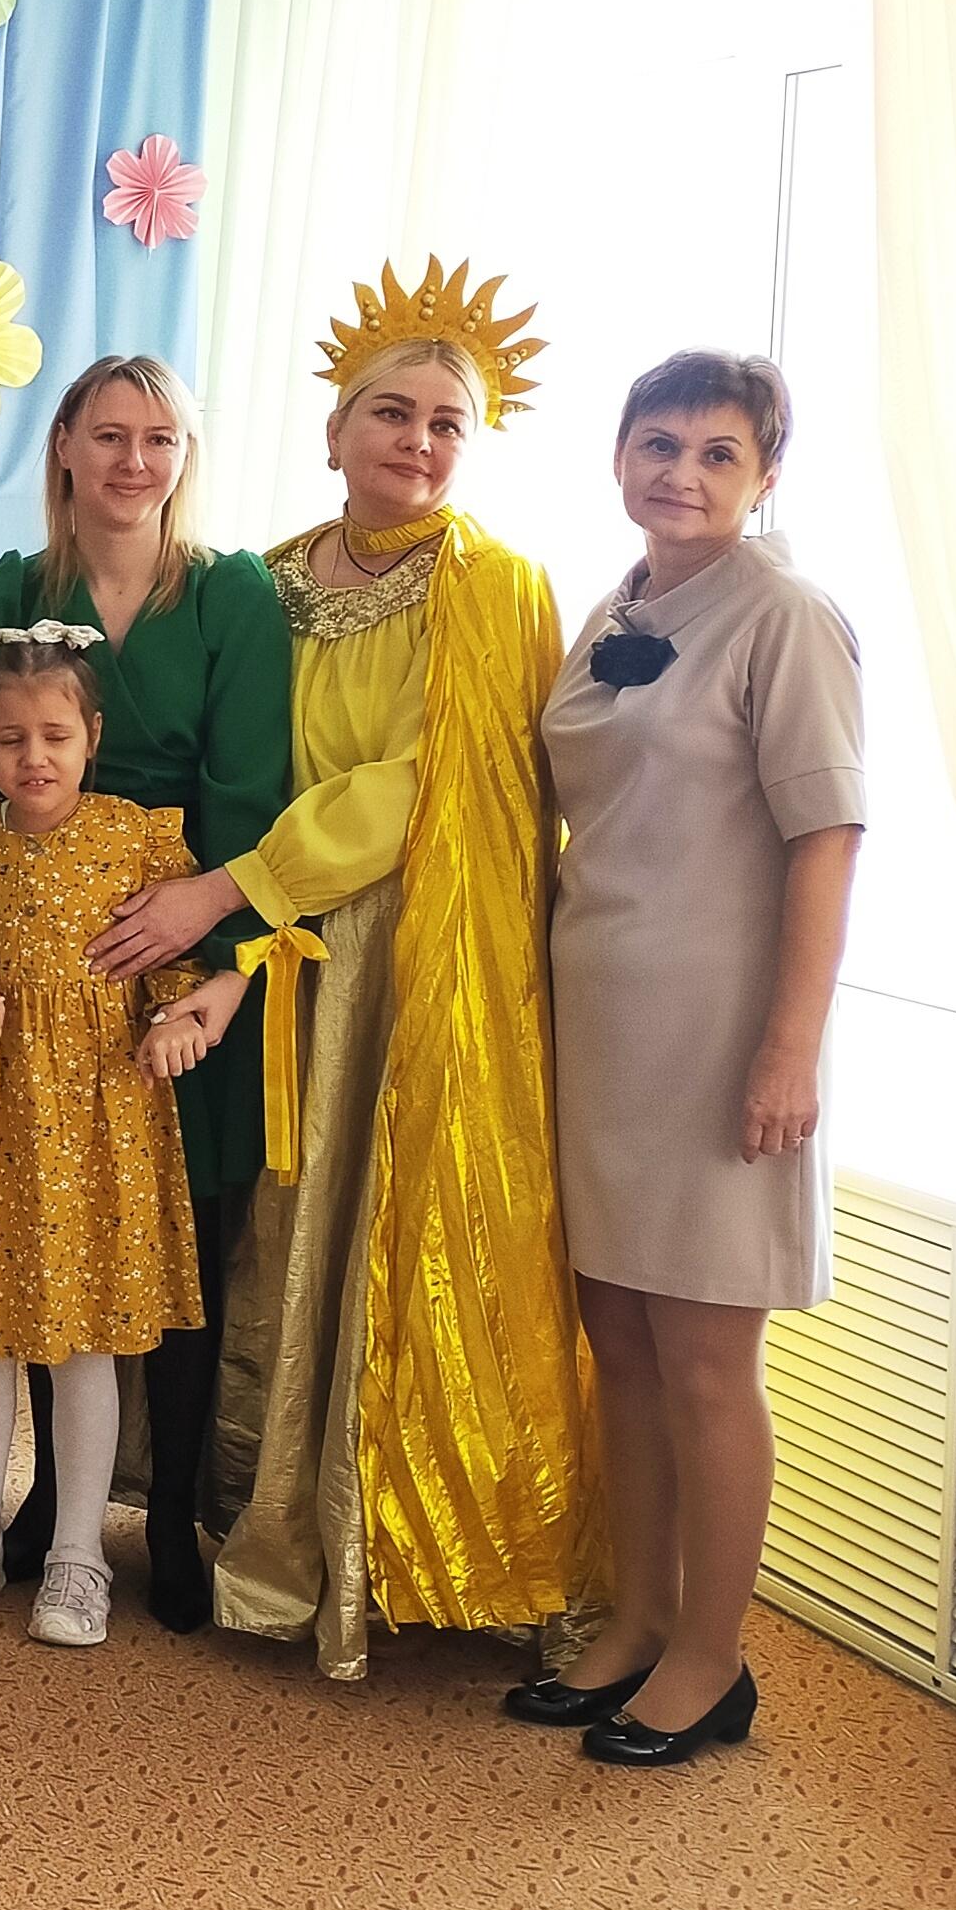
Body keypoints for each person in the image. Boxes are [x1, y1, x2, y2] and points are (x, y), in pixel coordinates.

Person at [92, 262, 599, 1681]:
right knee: (254, 1224)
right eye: (391, 412)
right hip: (258, 941)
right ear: (334, 431)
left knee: (365, 1223)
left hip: (392, 954)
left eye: (447, 422)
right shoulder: (260, 580)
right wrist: (219, 915)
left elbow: (423, 783)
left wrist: (241, 888)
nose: (417, 442)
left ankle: (367, 1538)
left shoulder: (493, 587)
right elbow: (229, 754)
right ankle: (233, 1511)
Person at [0, 353, 290, 1631]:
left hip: (178, 955)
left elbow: (250, 795)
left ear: (184, 456)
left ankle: (163, 1520)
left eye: (158, 439)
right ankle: (52, 1506)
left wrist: (214, 959)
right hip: (27, 982)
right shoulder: (16, 590)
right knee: (32, 1245)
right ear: (62, 445)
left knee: (167, 1241)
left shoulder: (229, 594)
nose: (132, 461)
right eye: (108, 435)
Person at [518, 352, 863, 1765]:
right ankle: (638, 1621)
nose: (682, 473)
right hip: (605, 1031)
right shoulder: (617, 605)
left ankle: (713, 1661)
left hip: (721, 1037)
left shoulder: (786, 616)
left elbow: (826, 839)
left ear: (765, 476)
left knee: (711, 1365)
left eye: (720, 453)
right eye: (658, 444)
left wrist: (791, 1048)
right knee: (624, 1350)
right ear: (617, 458)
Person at [0, 634, 245, 1650]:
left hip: (101, 1117)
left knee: (87, 1338)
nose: (33, 757)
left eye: (54, 735)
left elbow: (178, 965)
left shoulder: (136, 837)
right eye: (10, 739)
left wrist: (177, 1022)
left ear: (92, 736)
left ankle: (78, 1555)